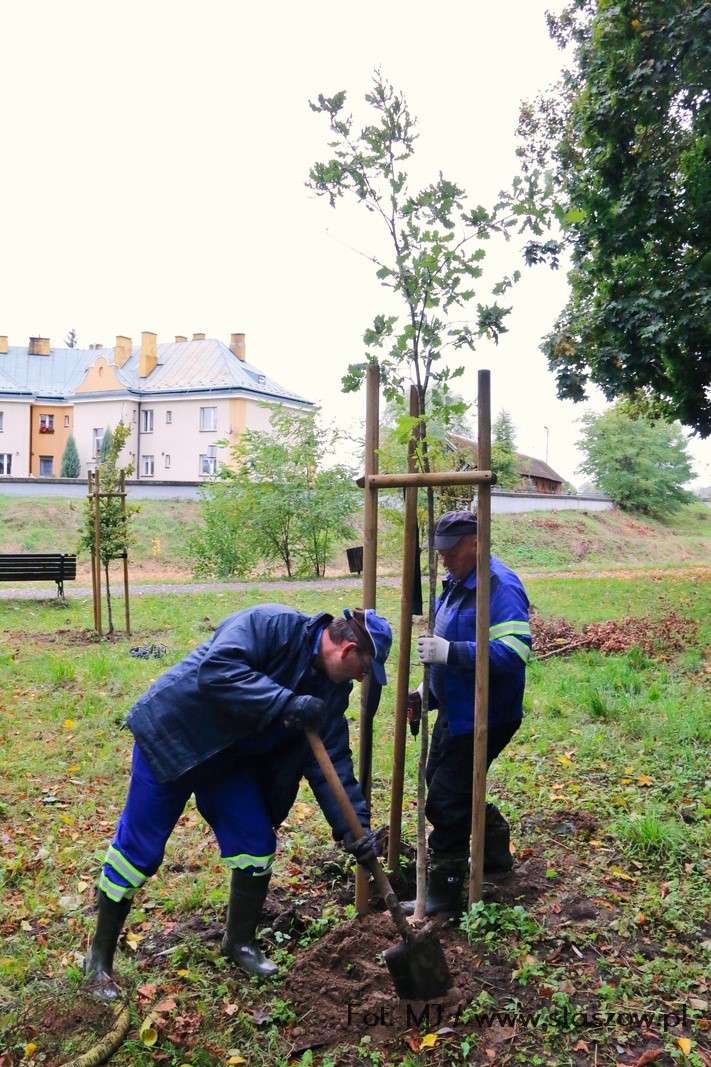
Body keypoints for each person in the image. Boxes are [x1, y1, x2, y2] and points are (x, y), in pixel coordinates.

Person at [84, 603, 392, 1000]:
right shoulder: (271, 625)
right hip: (173, 737)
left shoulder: (331, 692)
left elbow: (331, 761)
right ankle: (99, 958)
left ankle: (239, 942)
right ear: (349, 652)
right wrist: (286, 702)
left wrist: (358, 829)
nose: (363, 678)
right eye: (364, 670)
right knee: (138, 853)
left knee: (255, 844)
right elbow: (217, 670)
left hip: (226, 761)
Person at [404, 510, 531, 915]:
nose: (444, 559)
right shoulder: (454, 582)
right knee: (443, 781)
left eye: (452, 550)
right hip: (455, 708)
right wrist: (427, 690)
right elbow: (447, 643)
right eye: (439, 551)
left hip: (487, 713)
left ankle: (445, 892)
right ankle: (495, 853)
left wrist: (451, 653)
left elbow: (515, 652)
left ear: (477, 542)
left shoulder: (500, 586)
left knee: (446, 797)